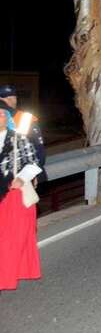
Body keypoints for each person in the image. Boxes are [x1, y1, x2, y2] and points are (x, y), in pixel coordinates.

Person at [0, 109, 42, 291]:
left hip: (13, 195)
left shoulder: (18, 139)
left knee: (9, 239)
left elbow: (34, 162)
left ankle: (4, 277)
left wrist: (21, 178)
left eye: (1, 114)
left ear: (7, 119)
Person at [0, 85, 45, 181]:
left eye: (14, 98)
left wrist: (33, 174)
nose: (12, 101)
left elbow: (38, 148)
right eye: (7, 98)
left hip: (25, 173)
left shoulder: (26, 118)